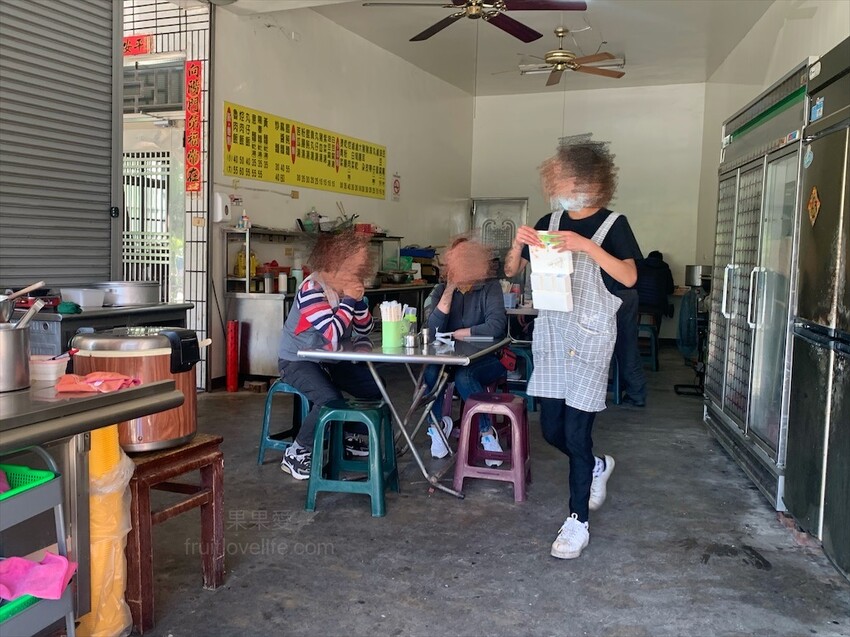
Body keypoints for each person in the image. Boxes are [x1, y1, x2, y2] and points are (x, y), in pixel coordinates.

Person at [503, 135, 641, 560]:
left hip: (592, 337)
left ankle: (576, 521)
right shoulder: (551, 218)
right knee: (552, 431)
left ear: (594, 182)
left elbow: (631, 278)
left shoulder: (613, 225)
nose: (565, 185)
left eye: (573, 178)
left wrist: (585, 246)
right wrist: (517, 242)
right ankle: (597, 466)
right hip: (552, 335)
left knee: (578, 433)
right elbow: (511, 271)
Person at [277, 230, 381, 480]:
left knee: (375, 387)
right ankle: (297, 452)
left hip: (329, 360)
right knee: (328, 398)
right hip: (297, 361)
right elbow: (332, 334)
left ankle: (350, 438)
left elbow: (365, 328)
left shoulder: (345, 288)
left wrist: (359, 301)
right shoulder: (312, 288)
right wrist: (348, 300)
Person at [423, 237, 508, 463]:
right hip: (450, 359)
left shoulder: (490, 287)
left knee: (465, 375)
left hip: (487, 359)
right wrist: (449, 291)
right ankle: (437, 427)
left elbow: (497, 325)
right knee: (431, 371)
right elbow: (432, 330)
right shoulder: (441, 289)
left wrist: (463, 332)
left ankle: (486, 433)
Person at [635, 250, 675, 328]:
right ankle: (655, 336)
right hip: (657, 305)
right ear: (661, 260)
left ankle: (636, 336)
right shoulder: (665, 269)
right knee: (660, 310)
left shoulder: (639, 267)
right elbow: (670, 290)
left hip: (639, 303)